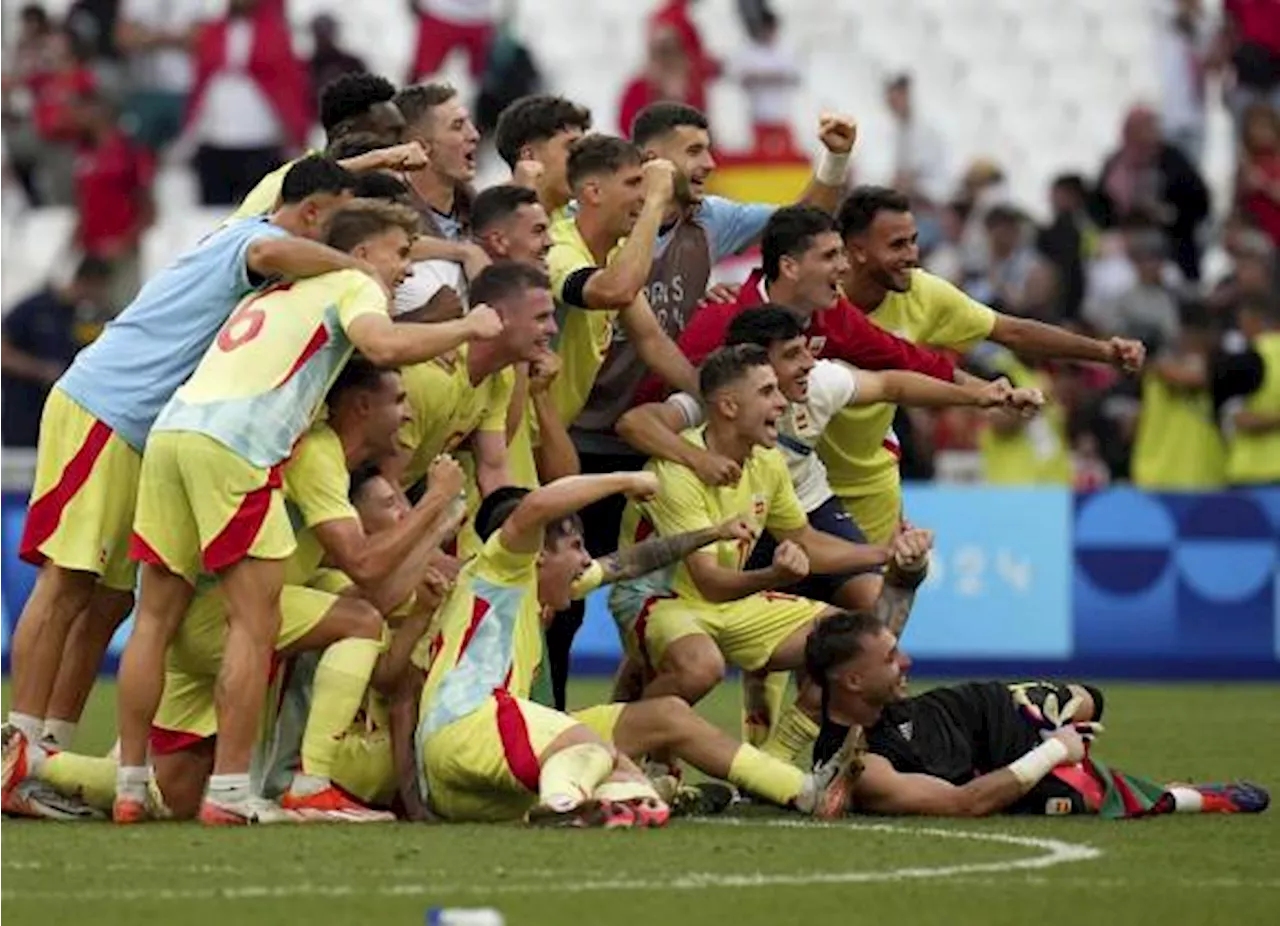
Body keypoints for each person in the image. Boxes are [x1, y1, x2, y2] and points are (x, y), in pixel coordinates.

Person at [113, 198, 505, 826]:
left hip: (174, 431)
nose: (404, 270)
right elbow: (380, 342)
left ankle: (129, 785)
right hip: (237, 445)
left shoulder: (275, 290)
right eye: (399, 253)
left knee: (154, 617)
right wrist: (467, 328)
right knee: (254, 622)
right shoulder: (350, 282)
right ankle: (234, 792)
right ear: (361, 253)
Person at [6, 156, 369, 775]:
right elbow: (274, 254)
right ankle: (15, 746)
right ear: (309, 211)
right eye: (336, 221)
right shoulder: (264, 239)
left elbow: (301, 188)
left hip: (137, 428)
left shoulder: (257, 218)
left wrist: (372, 163)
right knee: (65, 582)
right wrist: (360, 268)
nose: (340, 236)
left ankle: (46, 754)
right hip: (106, 405)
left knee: (111, 600)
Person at [0, 365, 459, 822]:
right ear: (360, 406)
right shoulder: (318, 454)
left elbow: (370, 580)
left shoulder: (322, 459)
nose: (407, 414)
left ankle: (36, 766)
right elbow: (366, 567)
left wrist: (433, 532)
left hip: (206, 618)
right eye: (397, 401)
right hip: (224, 619)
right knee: (359, 618)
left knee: (172, 797)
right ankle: (309, 785)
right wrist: (436, 503)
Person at [611, 345, 932, 764]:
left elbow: (807, 540)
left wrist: (884, 552)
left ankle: (773, 766)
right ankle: (615, 757)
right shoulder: (676, 472)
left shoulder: (767, 462)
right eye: (766, 392)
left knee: (854, 646)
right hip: (661, 601)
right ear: (728, 405)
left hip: (728, 604)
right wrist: (773, 576)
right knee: (701, 667)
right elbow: (707, 581)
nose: (782, 402)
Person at [619, 307, 1013, 612]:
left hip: (798, 507)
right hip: (733, 530)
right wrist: (697, 459)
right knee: (703, 655)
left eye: (806, 350)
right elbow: (635, 423)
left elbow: (891, 382)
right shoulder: (718, 401)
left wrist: (976, 396)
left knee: (870, 610)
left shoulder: (819, 384)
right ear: (753, 367)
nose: (808, 362)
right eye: (793, 355)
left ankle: (852, 699)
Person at [819, 186, 1146, 546]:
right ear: (857, 250)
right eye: (898, 245)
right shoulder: (812, 296)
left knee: (874, 595)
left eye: (913, 241)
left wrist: (1104, 351)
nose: (913, 255)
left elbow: (1013, 331)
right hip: (797, 472)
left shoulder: (923, 294)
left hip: (869, 480)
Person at [807, 610, 1270, 818]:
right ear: (851, 682)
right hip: (992, 760)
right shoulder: (862, 764)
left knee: (1088, 699)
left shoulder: (874, 704)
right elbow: (962, 804)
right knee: (1083, 796)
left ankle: (1069, 747)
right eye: (890, 660)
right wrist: (1053, 750)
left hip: (1000, 707)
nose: (905, 663)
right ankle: (1200, 797)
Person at [415, 471, 673, 828]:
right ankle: (563, 802)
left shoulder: (521, 592)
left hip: (462, 788)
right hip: (466, 725)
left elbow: (625, 563)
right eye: (576, 545)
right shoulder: (502, 568)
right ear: (535, 551)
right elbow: (535, 506)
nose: (586, 560)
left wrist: (715, 532)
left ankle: (628, 797)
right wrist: (627, 481)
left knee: (622, 774)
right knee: (588, 747)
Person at [384, 262, 558, 557]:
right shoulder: (432, 377)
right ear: (499, 317)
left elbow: (494, 470)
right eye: (541, 318)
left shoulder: (500, 376)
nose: (553, 328)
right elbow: (385, 481)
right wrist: (428, 559)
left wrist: (514, 544)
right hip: (364, 512)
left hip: (403, 503)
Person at [227, 70, 419, 223]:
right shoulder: (286, 180)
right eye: (391, 132)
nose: (400, 143)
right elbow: (228, 242)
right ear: (345, 131)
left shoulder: (386, 184)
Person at [0, 257, 112, 450]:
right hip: (25, 413)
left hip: (64, 419)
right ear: (88, 282)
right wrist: (40, 370)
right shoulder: (34, 309)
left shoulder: (89, 318)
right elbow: (4, 354)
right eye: (99, 289)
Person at [493, 94, 593, 218]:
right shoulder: (492, 224)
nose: (585, 158)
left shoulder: (582, 221)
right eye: (572, 148)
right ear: (528, 156)